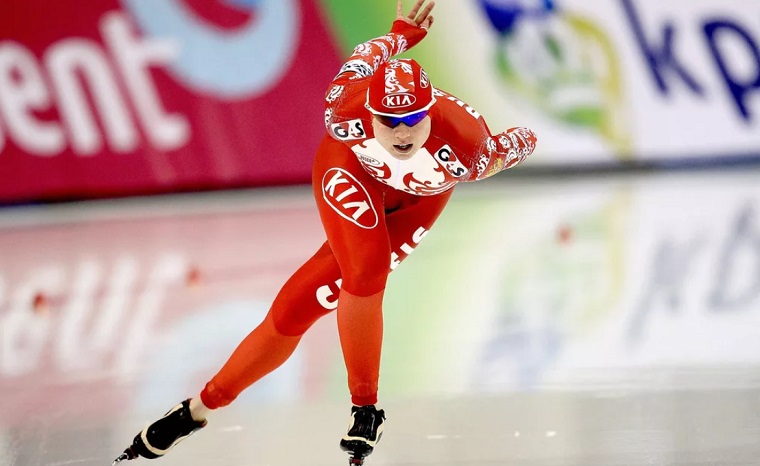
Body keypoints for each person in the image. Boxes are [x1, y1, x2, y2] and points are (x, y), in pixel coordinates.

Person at [113, 1, 536, 464]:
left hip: (418, 201)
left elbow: (514, 144)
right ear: (368, 114)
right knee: (353, 278)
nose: (401, 133)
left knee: (310, 301)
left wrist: (527, 137)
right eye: (388, 121)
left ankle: (213, 409)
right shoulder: (343, 111)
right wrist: (400, 35)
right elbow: (363, 58)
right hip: (351, 171)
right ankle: (339, 409)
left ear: (430, 112)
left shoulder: (469, 149)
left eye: (413, 119)